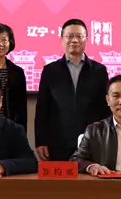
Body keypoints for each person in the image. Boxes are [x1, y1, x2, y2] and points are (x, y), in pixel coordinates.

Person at [35, 19, 110, 162]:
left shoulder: (99, 71)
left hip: (91, 140)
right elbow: (42, 109)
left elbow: (105, 109)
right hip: (57, 141)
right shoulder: (50, 71)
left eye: (79, 36)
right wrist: (41, 141)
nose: (74, 40)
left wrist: (106, 138)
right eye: (69, 36)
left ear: (86, 39)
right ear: (62, 40)